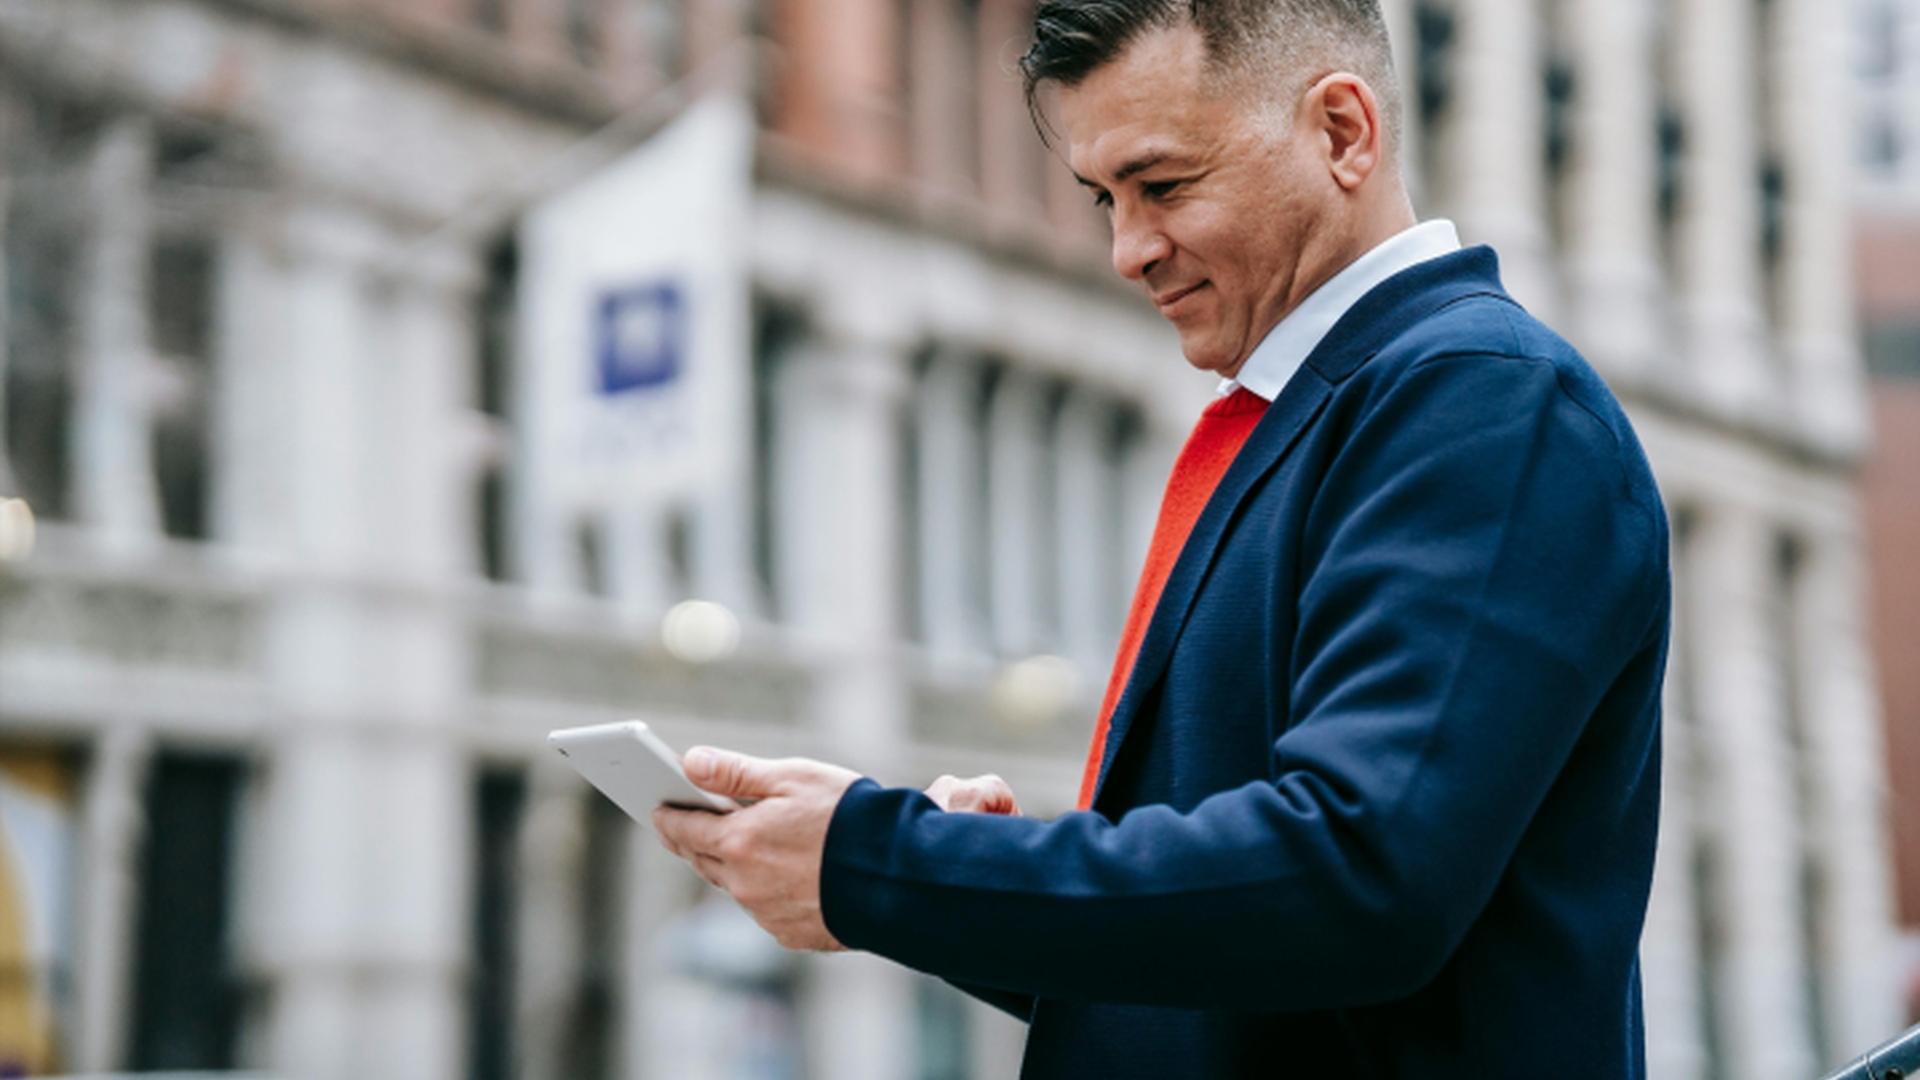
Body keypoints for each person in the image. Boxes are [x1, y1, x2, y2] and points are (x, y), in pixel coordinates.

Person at [655, 0, 1670, 1075]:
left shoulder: (1487, 406)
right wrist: (955, 873)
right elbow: (1253, 959)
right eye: (1104, 198)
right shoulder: (1353, 410)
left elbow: (1357, 881)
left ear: (1342, 133)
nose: (1126, 250)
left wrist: (882, 863)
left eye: (1164, 186)